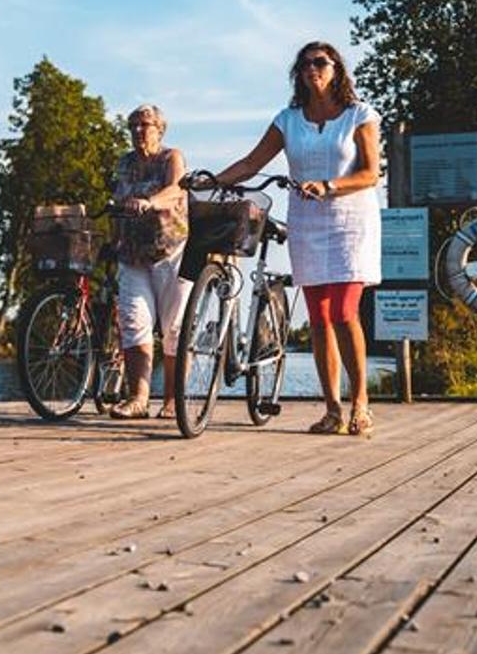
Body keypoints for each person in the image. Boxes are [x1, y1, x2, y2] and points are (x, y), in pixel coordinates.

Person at [207, 42, 381, 436]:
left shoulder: (359, 115)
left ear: (336, 69)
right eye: (304, 64)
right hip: (308, 222)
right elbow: (251, 163)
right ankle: (333, 410)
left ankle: (361, 402)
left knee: (344, 312)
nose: (311, 69)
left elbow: (371, 173)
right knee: (318, 318)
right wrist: (212, 181)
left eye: (320, 62)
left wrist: (329, 184)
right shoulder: (288, 120)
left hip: (351, 222)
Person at [108, 104, 191, 420]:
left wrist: (150, 202)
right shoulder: (125, 163)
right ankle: (138, 399)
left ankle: (171, 400)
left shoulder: (171, 157)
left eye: (144, 125)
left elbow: (175, 190)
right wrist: (113, 237)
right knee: (133, 322)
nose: (138, 131)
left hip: (171, 251)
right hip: (133, 253)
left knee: (174, 328)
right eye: (133, 126)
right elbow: (119, 199)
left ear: (160, 129)